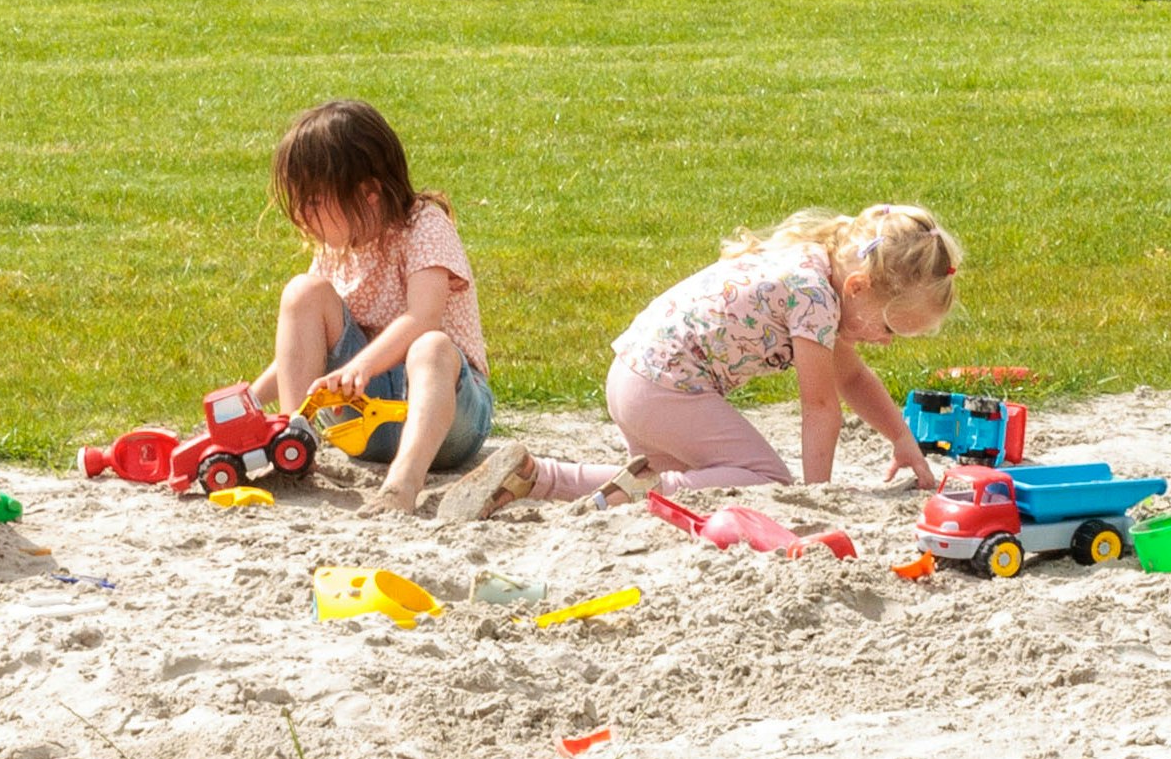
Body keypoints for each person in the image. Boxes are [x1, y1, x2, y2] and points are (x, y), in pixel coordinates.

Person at [243, 100, 548, 518]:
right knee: (302, 292)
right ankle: (291, 440)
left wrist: (362, 367)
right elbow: (301, 350)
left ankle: (402, 484)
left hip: (446, 421)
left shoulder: (424, 226)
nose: (301, 214)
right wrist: (247, 400)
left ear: (369, 193)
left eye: (314, 200)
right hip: (363, 419)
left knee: (431, 346)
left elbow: (423, 317)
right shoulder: (336, 251)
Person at [604, 202, 957, 491]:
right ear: (858, 287)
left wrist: (901, 437)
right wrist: (818, 491)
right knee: (766, 480)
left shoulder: (813, 266)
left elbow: (852, 379)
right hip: (664, 388)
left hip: (633, 375)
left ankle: (552, 478)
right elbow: (819, 406)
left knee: (657, 479)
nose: (884, 341)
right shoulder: (814, 297)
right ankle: (638, 493)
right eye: (888, 327)